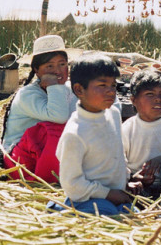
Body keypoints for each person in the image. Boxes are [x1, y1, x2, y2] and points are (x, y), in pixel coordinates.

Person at [54, 54, 136, 216]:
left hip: (116, 195)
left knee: (132, 214)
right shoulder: (75, 132)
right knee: (110, 216)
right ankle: (61, 208)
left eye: (113, 85)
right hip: (86, 199)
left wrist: (127, 178)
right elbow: (72, 184)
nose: (110, 91)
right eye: (102, 85)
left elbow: (118, 154)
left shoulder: (113, 114)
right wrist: (107, 194)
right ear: (79, 89)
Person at [2, 35, 81, 182]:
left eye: (62, 64)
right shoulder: (28, 94)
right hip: (20, 164)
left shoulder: (69, 90)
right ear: (37, 71)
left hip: (48, 156)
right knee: (55, 129)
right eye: (49, 66)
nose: (58, 71)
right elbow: (59, 116)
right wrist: (54, 85)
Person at [121, 70, 161, 196]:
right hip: (137, 185)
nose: (158, 99)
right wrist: (132, 179)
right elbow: (119, 163)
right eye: (150, 94)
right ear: (133, 100)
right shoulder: (127, 128)